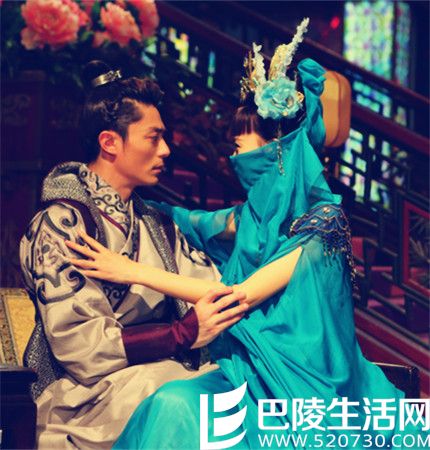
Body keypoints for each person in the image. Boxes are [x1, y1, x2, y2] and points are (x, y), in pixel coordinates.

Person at [68, 21, 428, 450]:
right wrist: (102, 191)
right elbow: (187, 220)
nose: (233, 159)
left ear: (275, 151)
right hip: (251, 372)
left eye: (240, 149)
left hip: (304, 388)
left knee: (182, 409)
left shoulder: (322, 225)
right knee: (169, 403)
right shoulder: (249, 217)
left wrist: (129, 270)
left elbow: (235, 298)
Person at [19, 60, 249, 449]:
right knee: (180, 400)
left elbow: (209, 287)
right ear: (110, 142)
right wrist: (180, 334)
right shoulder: (62, 225)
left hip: (159, 372)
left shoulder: (156, 224)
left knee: (232, 391)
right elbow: (81, 348)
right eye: (153, 138)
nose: (166, 150)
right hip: (84, 397)